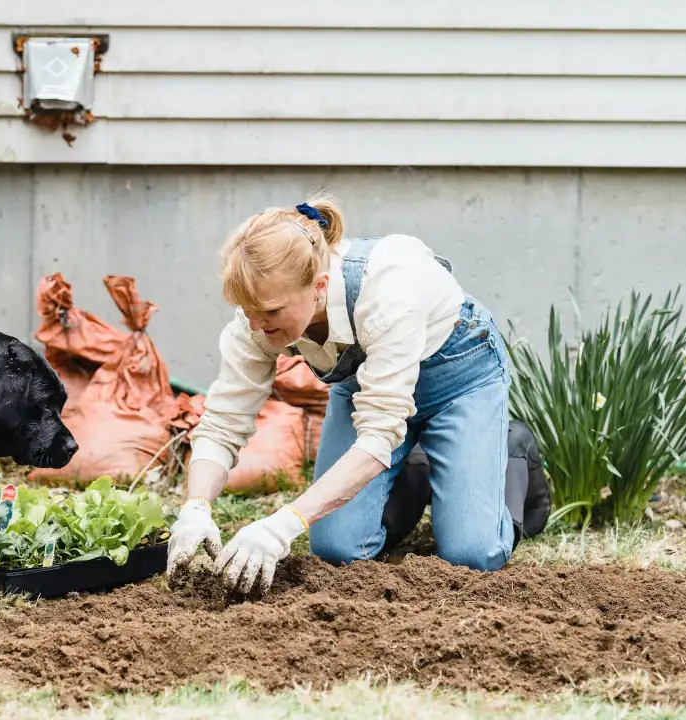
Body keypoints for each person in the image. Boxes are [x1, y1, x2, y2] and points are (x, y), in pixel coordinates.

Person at [165, 192, 523, 594]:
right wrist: (195, 508)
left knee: (473, 555)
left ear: (318, 286)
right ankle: (417, 470)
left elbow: (376, 438)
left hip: (460, 378)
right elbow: (223, 422)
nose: (256, 326)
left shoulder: (387, 293)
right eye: (248, 311)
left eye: (270, 313)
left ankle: (509, 453)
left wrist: (283, 523)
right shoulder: (258, 315)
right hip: (370, 394)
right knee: (338, 549)